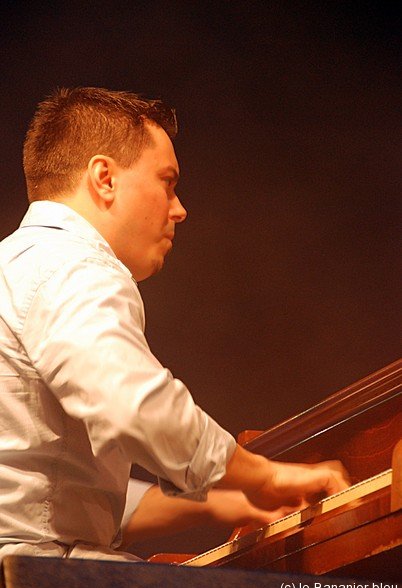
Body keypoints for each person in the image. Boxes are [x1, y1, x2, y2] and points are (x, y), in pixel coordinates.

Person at [0, 87, 349, 562]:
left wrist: (226, 501)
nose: (179, 208)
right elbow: (134, 405)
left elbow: (58, 494)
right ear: (104, 178)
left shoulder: (17, 264)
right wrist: (266, 475)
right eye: (167, 182)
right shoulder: (73, 265)